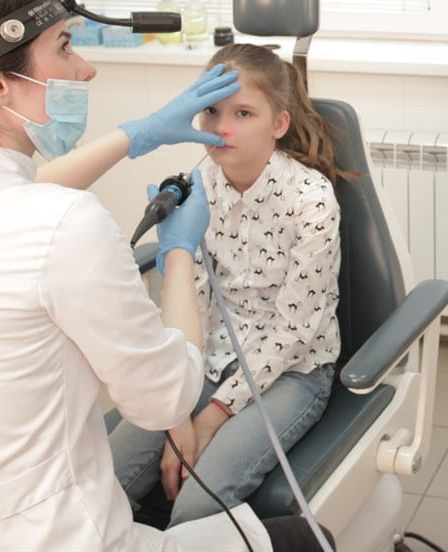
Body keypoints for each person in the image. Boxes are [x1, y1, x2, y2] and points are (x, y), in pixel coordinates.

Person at [0, 0, 301, 551]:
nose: (85, 69)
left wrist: (139, 134)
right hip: (53, 538)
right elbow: (167, 398)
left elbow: (8, 204)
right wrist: (180, 253)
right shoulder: (63, 224)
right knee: (303, 539)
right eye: (63, 47)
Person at [110, 44, 342, 527]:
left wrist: (212, 414)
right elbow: (188, 302)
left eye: (243, 113)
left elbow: (296, 331)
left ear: (278, 123)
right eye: (211, 111)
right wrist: (175, 411)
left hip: (291, 371)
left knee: (197, 509)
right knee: (102, 482)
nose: (221, 127)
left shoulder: (312, 201)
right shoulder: (196, 190)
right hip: (207, 358)